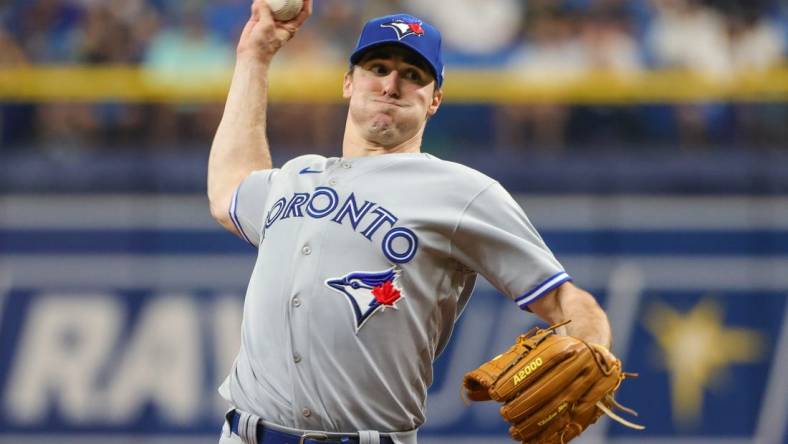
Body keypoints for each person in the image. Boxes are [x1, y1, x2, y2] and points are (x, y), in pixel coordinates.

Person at [207, 1, 612, 443]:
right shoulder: (296, 176)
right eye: (377, 68)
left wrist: (591, 344)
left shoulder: (460, 191)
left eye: (413, 75)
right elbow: (229, 189)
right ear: (348, 82)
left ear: (434, 99)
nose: (391, 84)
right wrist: (254, 57)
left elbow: (564, 299)